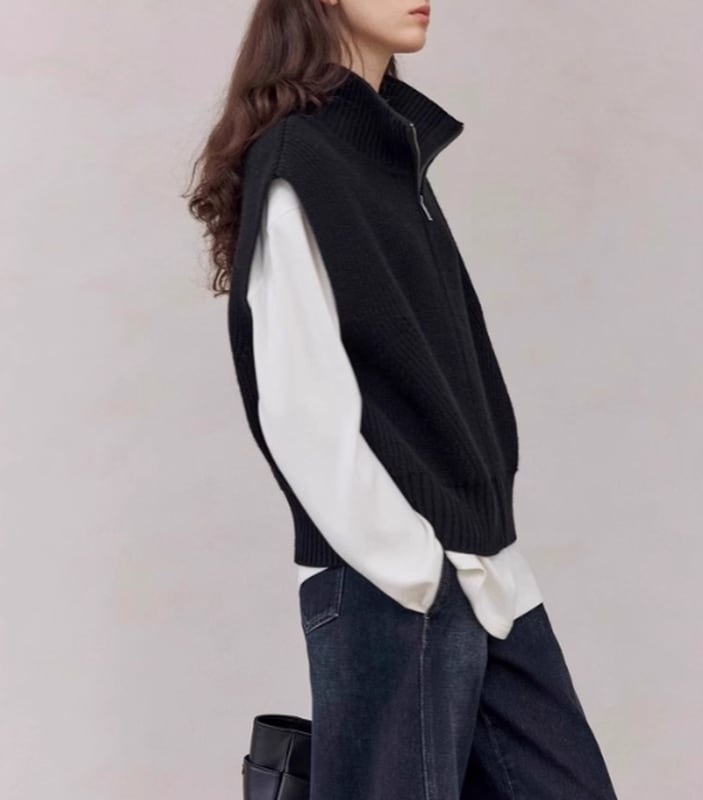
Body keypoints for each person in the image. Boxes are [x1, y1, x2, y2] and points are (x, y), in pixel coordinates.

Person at [187, 2, 619, 798]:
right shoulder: (300, 157)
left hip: (480, 571)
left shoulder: (391, 156)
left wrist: (486, 556)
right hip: (391, 583)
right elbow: (298, 401)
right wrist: (412, 566)